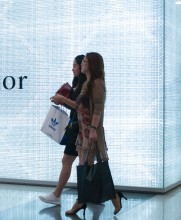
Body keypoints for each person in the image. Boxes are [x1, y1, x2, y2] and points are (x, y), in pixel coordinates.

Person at [61, 52, 126, 217]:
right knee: (84, 168)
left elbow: (98, 108)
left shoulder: (97, 83)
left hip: (92, 132)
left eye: (84, 61)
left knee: (99, 167)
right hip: (83, 132)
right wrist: (63, 100)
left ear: (92, 64)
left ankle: (111, 196)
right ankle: (84, 199)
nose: (82, 63)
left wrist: (93, 129)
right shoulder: (87, 83)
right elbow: (78, 106)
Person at [39, 54, 87, 205]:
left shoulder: (86, 85)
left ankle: (57, 195)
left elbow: (81, 107)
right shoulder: (78, 83)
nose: (72, 69)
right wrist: (62, 100)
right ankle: (98, 195)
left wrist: (63, 100)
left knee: (70, 160)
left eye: (75, 65)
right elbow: (75, 107)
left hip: (80, 129)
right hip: (76, 127)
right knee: (82, 163)